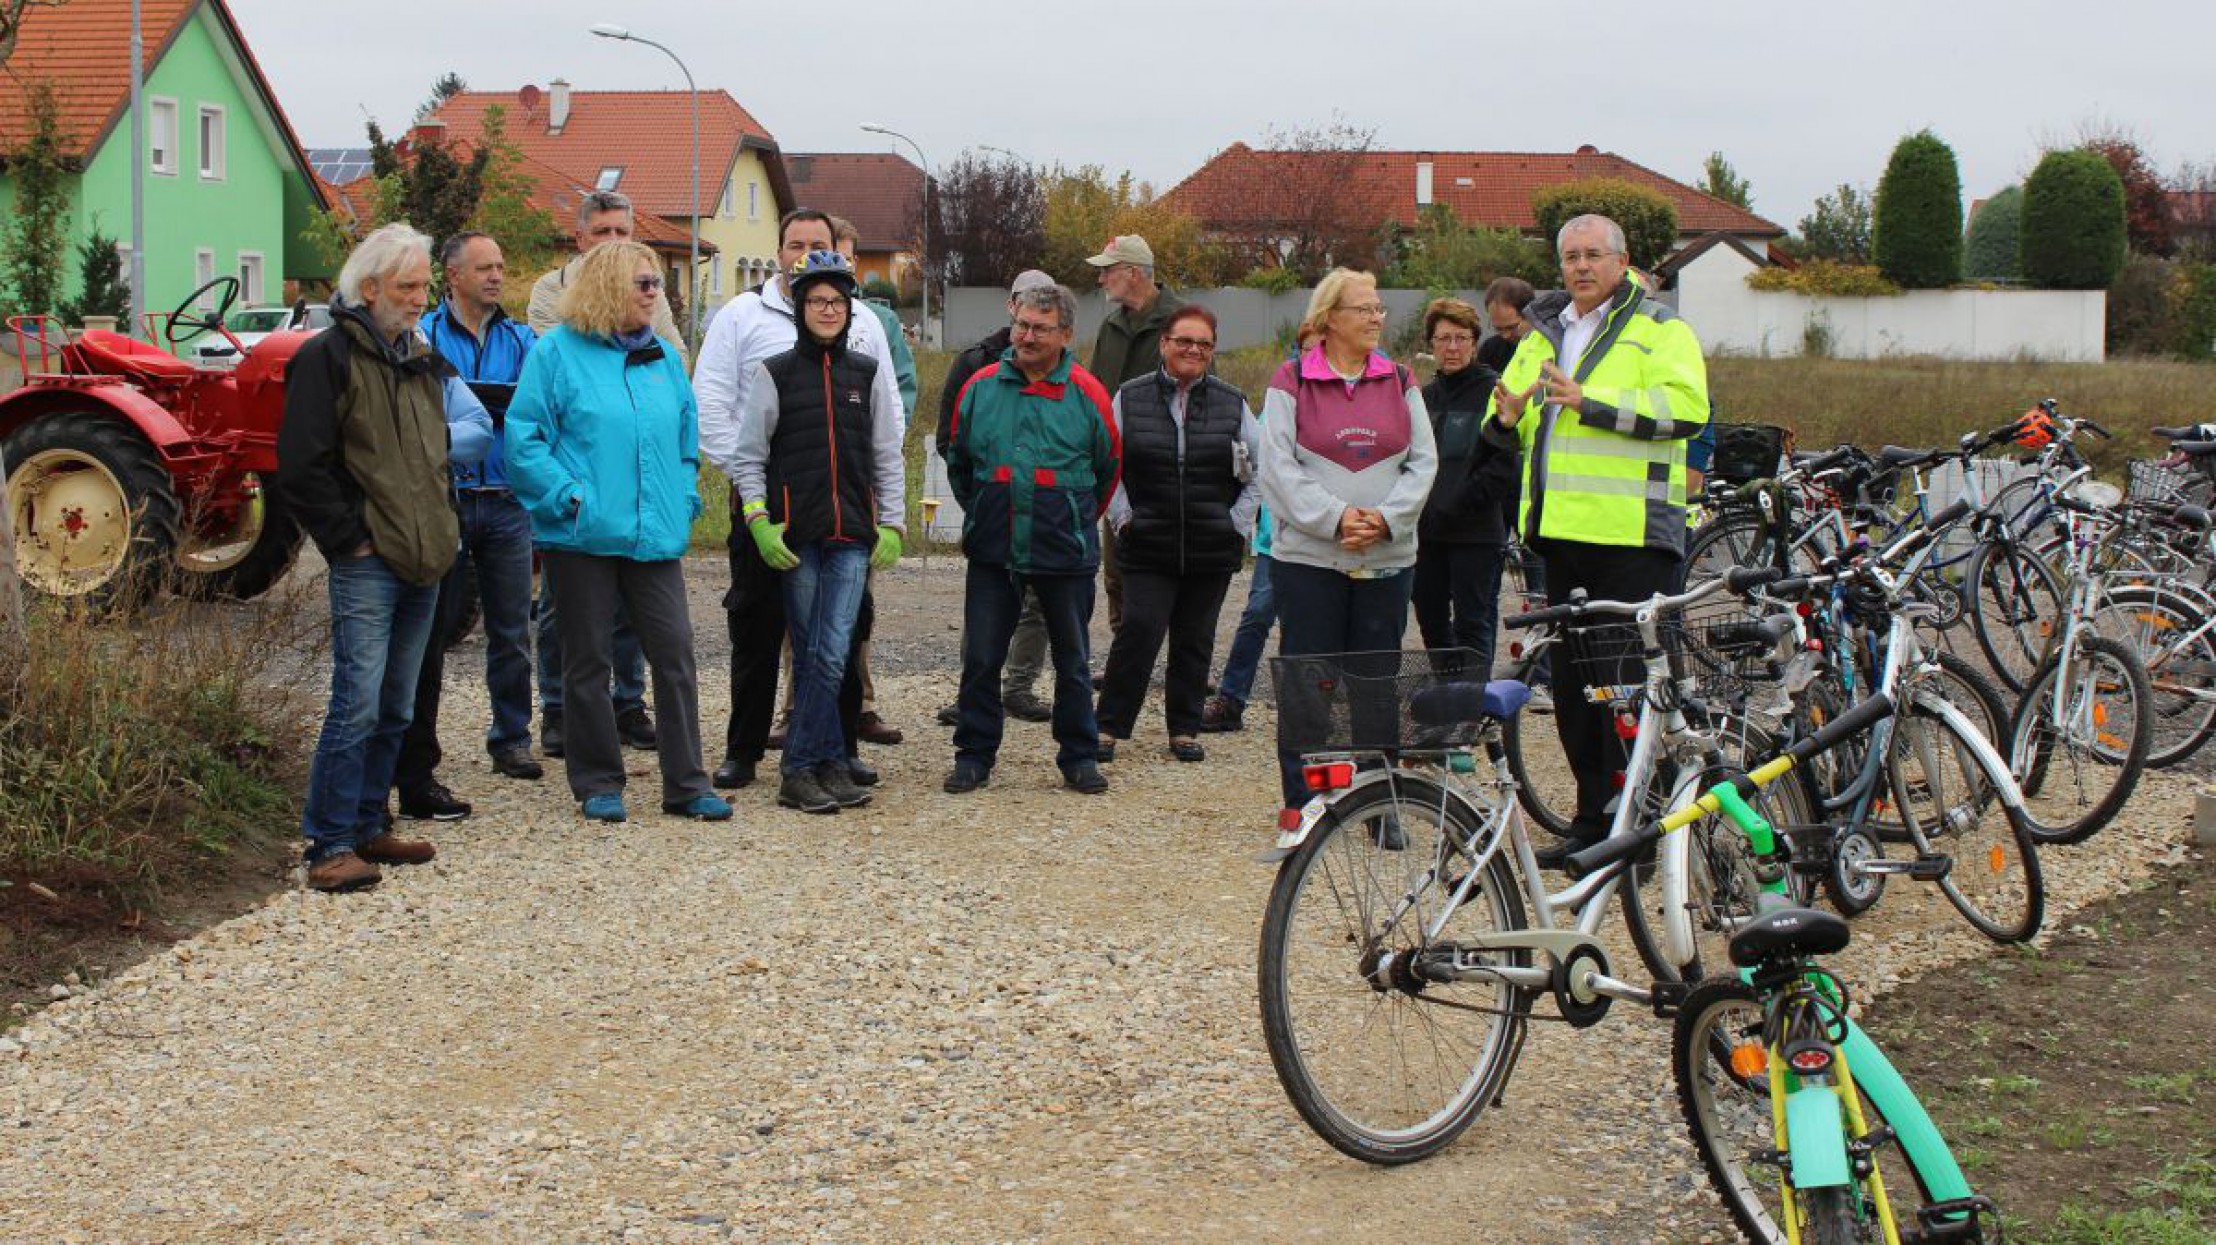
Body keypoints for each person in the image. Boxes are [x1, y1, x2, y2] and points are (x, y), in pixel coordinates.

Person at [1482, 214, 1710, 867]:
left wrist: (1591, 402)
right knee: (1581, 693)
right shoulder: (1544, 331)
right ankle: (1591, 820)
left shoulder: (1660, 329)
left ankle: (1643, 832)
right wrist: (1503, 419)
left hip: (1633, 536)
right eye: (1571, 256)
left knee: (1631, 690)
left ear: (1621, 260)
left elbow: (1686, 411)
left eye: (1593, 255)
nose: (1581, 266)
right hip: (1560, 535)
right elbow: (1521, 423)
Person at [275, 222, 492, 891]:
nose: (420, 297)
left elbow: (435, 454)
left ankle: (370, 823)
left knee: (397, 704)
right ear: (368, 288)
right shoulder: (328, 356)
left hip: (425, 553)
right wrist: (350, 539)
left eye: (425, 284)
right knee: (357, 702)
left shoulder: (419, 356)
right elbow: (302, 465)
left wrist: (441, 529)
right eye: (408, 286)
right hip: (370, 559)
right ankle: (329, 842)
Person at [505, 241, 730, 824]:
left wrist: (682, 499)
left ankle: (686, 782)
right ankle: (599, 781)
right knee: (588, 662)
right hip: (581, 537)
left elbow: (686, 440)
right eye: (644, 284)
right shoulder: (556, 354)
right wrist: (567, 497)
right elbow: (523, 438)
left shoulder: (661, 358)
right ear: (607, 287)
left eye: (656, 284)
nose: (656, 293)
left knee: (675, 654)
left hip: (653, 535)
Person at [696, 208, 905, 791]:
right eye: (795, 243)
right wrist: (750, 491)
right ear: (780, 248)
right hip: (769, 507)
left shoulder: (860, 321)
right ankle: (745, 750)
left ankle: (835, 750)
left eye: (817, 242)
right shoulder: (741, 315)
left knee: (838, 636)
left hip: (843, 513)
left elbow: (886, 419)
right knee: (758, 627)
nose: (804, 251)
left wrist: (889, 518)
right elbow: (714, 404)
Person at [1257, 269, 1437, 816]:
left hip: (1385, 560)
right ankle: (1307, 801)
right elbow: (1277, 470)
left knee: (1376, 682)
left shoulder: (1400, 380)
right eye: (1364, 309)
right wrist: (1336, 520)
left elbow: (1424, 462)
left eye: (1380, 308)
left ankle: (1376, 802)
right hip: (1310, 561)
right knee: (1309, 682)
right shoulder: (1291, 381)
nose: (1377, 318)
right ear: (1331, 316)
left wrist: (1384, 519)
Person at [941, 282, 1120, 795]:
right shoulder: (980, 386)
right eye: (1022, 324)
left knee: (1073, 658)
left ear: (1065, 334)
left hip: (1064, 549)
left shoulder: (1087, 393)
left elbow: (1108, 468)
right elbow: (960, 461)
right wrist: (982, 510)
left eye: (1041, 328)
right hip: (995, 547)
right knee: (980, 657)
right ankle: (973, 754)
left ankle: (1079, 756)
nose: (1027, 335)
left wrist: (1071, 514)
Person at [393, 232, 543, 826]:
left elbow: (529, 407)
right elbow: (434, 409)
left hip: (507, 501)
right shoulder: (425, 336)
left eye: (501, 267)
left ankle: (511, 736)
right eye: (484, 267)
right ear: (452, 275)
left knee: (512, 627)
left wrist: (481, 408)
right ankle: (415, 748)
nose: (496, 277)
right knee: (431, 630)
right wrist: (485, 408)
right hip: (447, 500)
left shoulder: (520, 338)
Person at [759, 216, 915, 752]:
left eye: (838, 302)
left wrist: (892, 522)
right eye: (817, 301)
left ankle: (820, 761)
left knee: (834, 652)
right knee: (808, 654)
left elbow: (885, 453)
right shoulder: (774, 372)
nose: (829, 310)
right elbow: (749, 454)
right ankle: (810, 767)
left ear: (850, 310)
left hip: (851, 533)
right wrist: (759, 519)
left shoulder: (867, 372)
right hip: (798, 534)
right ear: (800, 308)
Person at [528, 190, 668, 760]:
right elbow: (563, 370)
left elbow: (668, 361)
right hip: (579, 474)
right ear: (581, 236)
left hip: (636, 481)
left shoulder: (647, 291)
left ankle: (628, 701)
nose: (614, 243)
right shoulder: (549, 292)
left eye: (623, 232)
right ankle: (559, 709)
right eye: (604, 232)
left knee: (631, 606)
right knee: (565, 605)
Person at [1095, 304, 1258, 764]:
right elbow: (1108, 467)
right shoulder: (1129, 397)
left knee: (1195, 636)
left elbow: (1258, 472)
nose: (1193, 350)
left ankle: (1183, 728)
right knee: (1140, 629)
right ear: (1164, 343)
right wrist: (1124, 518)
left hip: (1211, 543)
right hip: (1147, 540)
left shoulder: (1234, 402)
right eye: (1184, 341)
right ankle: (1109, 725)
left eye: (1204, 344)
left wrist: (1236, 524)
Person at [931, 269, 1060, 728]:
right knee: (985, 606)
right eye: (1025, 307)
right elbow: (952, 440)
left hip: (1048, 513)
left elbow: (1097, 455)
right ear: (1011, 306)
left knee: (1040, 604)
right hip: (993, 507)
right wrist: (981, 500)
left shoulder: (1067, 367)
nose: (1031, 328)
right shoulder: (973, 362)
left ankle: (1019, 688)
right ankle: (975, 693)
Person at [1086, 235, 1187, 636]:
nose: (1101, 280)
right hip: (1117, 471)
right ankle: (1125, 661)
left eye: (1107, 271)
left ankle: (1184, 667)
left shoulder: (1182, 323)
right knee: (1118, 571)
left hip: (1168, 472)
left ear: (1132, 273)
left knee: (1176, 572)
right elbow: (1094, 393)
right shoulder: (1110, 327)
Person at [1412, 298, 1515, 677]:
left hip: (1474, 530)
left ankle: (1472, 702)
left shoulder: (1495, 392)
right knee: (1431, 618)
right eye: (1443, 339)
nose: (1452, 348)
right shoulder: (1423, 398)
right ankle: (1447, 695)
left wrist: (1456, 503)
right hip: (1428, 532)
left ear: (1474, 343)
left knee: (1473, 622)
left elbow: (1501, 466)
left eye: (1460, 338)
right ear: (1431, 344)